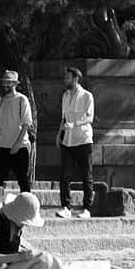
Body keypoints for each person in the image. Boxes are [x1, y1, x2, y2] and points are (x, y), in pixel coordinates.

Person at [57, 66, 95, 216]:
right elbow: (64, 118)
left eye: (68, 78)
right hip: (68, 140)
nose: (65, 80)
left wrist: (75, 124)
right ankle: (66, 207)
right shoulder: (65, 96)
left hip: (83, 140)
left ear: (76, 79)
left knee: (86, 176)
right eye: (65, 77)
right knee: (64, 175)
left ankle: (87, 208)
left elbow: (89, 118)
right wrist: (59, 135)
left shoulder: (87, 96)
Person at [0, 69, 34, 193]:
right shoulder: (1, 102)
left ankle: (26, 203)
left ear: (15, 84)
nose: (5, 85)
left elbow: (26, 123)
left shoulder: (22, 100)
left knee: (23, 180)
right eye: (4, 82)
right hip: (3, 146)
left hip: (20, 146)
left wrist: (17, 144)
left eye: (9, 82)